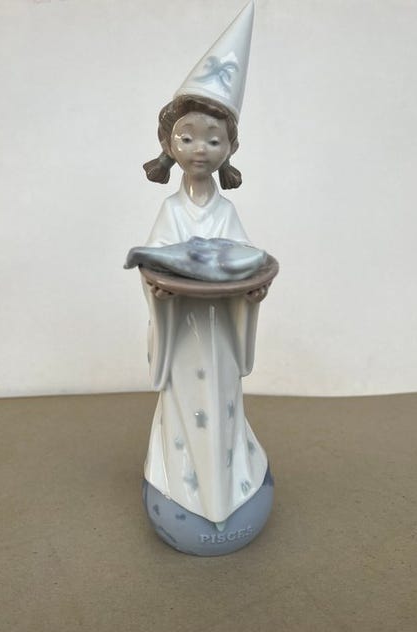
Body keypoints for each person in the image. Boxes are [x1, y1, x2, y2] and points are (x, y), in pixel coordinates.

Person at [140, 93, 268, 526]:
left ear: (230, 148)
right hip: (182, 331)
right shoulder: (171, 211)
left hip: (220, 331)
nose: (200, 149)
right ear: (169, 145)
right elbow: (153, 263)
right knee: (185, 403)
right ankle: (183, 489)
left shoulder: (225, 211)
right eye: (187, 138)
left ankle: (231, 487)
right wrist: (160, 292)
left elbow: (246, 260)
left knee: (223, 399)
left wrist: (250, 294)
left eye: (213, 140)